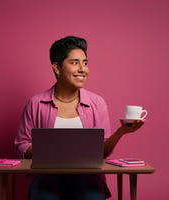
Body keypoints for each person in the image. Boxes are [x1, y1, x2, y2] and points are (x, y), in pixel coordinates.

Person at [15, 36, 144, 200]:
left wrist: (121, 132)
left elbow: (102, 152)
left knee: (92, 196)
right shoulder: (35, 103)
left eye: (85, 63)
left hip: (87, 177)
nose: (83, 69)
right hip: (46, 177)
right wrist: (50, 151)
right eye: (75, 63)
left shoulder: (97, 103)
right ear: (57, 67)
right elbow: (22, 145)